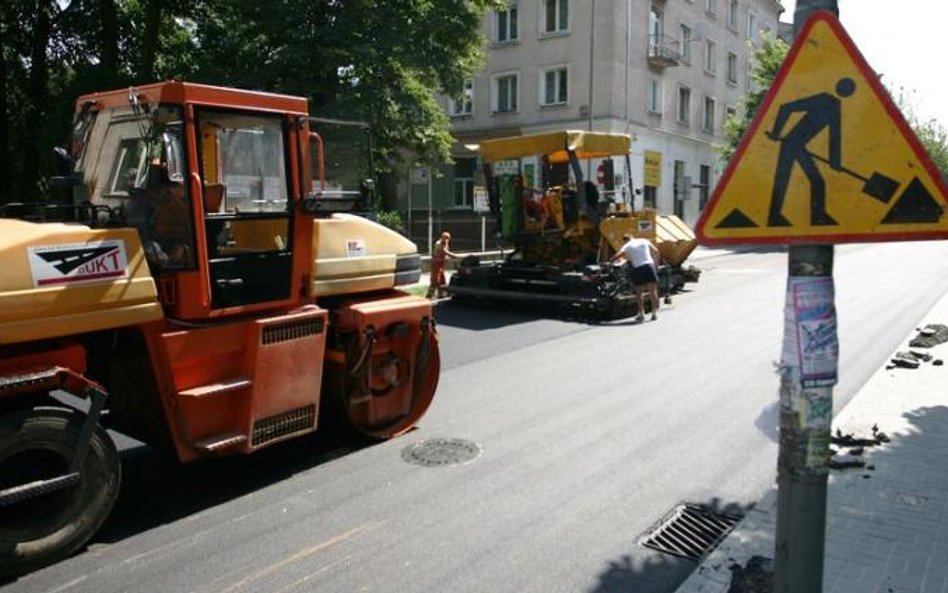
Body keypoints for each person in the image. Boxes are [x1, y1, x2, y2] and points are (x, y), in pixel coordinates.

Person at [612, 233, 661, 322]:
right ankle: (654, 313)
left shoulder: (627, 245)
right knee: (653, 291)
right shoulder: (644, 240)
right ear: (632, 237)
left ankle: (641, 314)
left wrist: (610, 261)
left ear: (625, 240)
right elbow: (656, 251)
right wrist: (655, 263)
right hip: (649, 266)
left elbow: (618, 255)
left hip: (638, 268)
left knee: (639, 293)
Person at [427, 231, 458, 299]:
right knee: (435, 281)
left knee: (442, 280)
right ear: (442, 237)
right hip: (436, 264)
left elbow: (445, 254)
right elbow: (444, 251)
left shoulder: (445, 243)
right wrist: (454, 255)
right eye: (445, 238)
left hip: (441, 264)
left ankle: (441, 295)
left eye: (448, 238)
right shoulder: (439, 243)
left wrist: (447, 258)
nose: (447, 240)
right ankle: (429, 296)